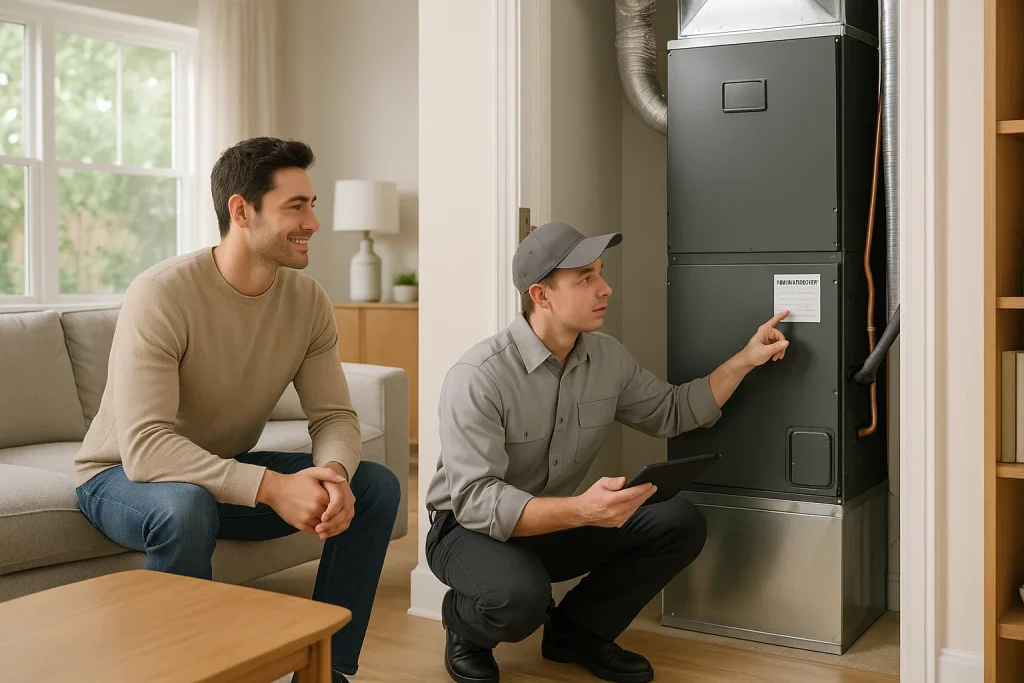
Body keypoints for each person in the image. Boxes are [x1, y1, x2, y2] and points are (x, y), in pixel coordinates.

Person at [74, 137, 401, 683]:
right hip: (119, 477)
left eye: (312, 204)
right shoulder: (162, 293)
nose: (313, 222)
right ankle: (184, 673)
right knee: (184, 507)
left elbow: (335, 417)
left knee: (376, 487)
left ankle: (328, 673)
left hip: (214, 474)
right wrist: (272, 487)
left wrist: (335, 474)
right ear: (241, 210)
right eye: (295, 206)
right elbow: (147, 448)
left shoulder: (308, 300)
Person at [424, 221, 790, 683]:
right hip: (467, 529)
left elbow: (671, 411)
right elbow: (476, 499)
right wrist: (581, 511)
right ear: (541, 296)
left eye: (600, 273)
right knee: (519, 599)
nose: (606, 288)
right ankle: (465, 624)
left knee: (677, 522)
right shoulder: (479, 375)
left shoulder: (607, 359)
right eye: (586, 279)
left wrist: (745, 358)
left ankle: (576, 632)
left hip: (554, 520)